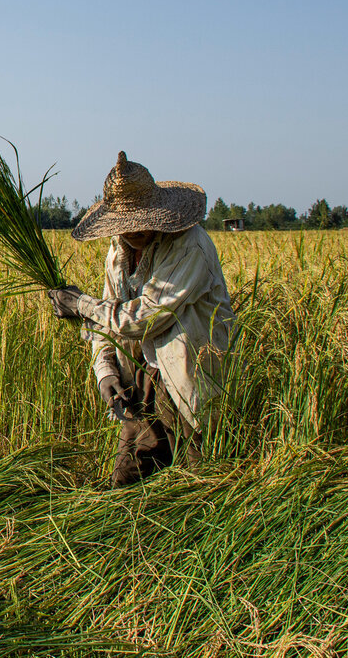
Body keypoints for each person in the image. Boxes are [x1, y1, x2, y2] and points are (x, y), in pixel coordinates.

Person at [48, 151, 234, 486]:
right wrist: (105, 371)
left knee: (196, 483)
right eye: (126, 225)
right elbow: (106, 321)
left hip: (187, 377)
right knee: (126, 482)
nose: (135, 231)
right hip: (140, 377)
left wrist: (81, 305)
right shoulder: (118, 251)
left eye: (141, 221)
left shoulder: (189, 246)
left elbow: (145, 317)